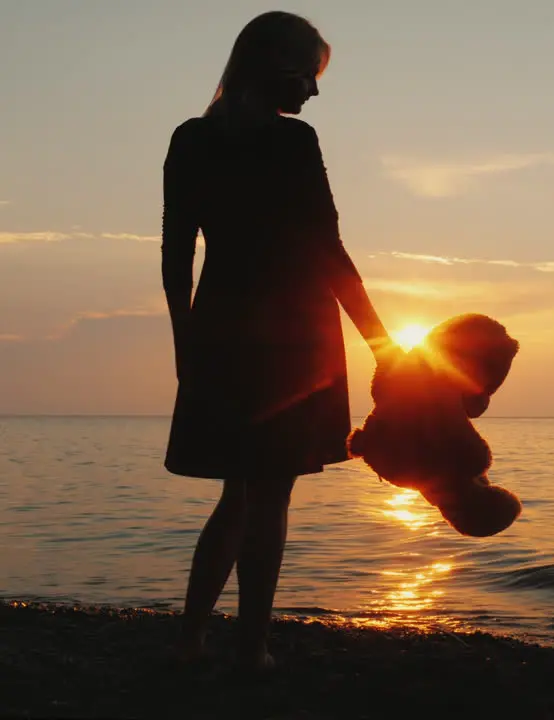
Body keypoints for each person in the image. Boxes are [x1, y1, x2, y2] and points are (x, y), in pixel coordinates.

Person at [161, 11, 391, 672]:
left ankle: (190, 639)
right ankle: (251, 647)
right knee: (269, 495)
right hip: (295, 341)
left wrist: (185, 344)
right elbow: (327, 250)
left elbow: (178, 259)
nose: (315, 93)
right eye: (309, 76)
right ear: (275, 66)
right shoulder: (293, 143)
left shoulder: (190, 139)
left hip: (222, 330)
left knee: (240, 490)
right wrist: (381, 342)